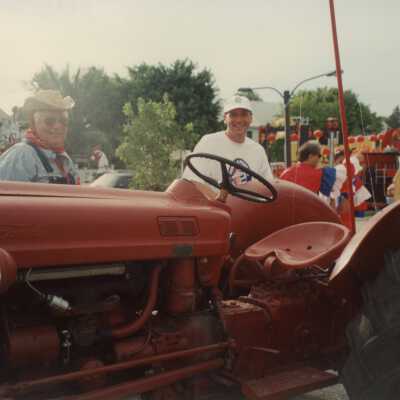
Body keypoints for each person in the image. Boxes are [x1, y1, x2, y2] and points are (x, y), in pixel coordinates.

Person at [182, 95, 273, 188]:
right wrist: (217, 201)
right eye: (233, 115)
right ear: (225, 118)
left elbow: (268, 187)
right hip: (212, 202)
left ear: (251, 118)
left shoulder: (258, 151)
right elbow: (193, 181)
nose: (239, 120)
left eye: (244, 114)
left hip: (249, 202)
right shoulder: (208, 142)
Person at [0, 90, 80, 184]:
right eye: (49, 121)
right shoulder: (22, 155)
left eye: (63, 121)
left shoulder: (64, 158)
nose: (58, 126)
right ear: (34, 124)